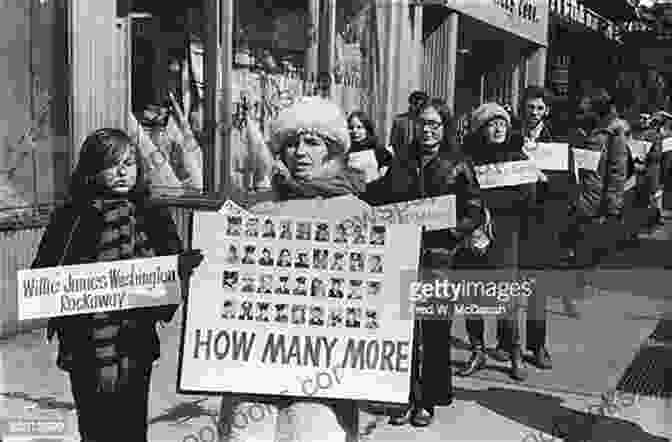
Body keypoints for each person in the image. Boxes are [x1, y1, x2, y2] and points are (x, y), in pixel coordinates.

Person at [33, 128, 203, 442]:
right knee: (94, 428)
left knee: (131, 426)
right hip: (84, 342)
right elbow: (43, 273)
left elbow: (173, 272)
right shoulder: (70, 216)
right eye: (112, 163)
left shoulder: (152, 214)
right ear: (93, 168)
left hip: (134, 340)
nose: (123, 171)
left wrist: (181, 269)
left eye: (129, 162)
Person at [217, 96, 369, 442]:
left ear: (331, 150)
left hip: (325, 368)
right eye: (291, 144)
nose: (300, 152)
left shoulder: (359, 214)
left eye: (312, 142)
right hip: (257, 363)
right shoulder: (257, 212)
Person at [363, 98, 484, 426]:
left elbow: (474, 209)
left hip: (439, 257)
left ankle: (427, 400)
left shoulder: (458, 163)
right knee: (403, 331)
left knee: (433, 331)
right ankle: (404, 397)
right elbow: (382, 194)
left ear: (445, 127)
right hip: (404, 252)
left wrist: (454, 232)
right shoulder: (402, 160)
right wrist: (351, 191)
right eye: (423, 123)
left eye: (435, 124)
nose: (428, 130)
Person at [458, 102, 544, 382]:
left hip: (506, 234)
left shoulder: (517, 156)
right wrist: (475, 218)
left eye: (502, 123)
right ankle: (477, 349)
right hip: (474, 232)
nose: (497, 128)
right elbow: (459, 192)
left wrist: (534, 181)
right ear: (481, 129)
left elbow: (528, 199)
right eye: (491, 124)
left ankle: (515, 353)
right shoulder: (468, 158)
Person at [515, 86, 574, 370]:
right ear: (522, 108)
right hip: (513, 220)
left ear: (546, 111)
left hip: (541, 222)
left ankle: (537, 345)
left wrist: (545, 179)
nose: (534, 113)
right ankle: (507, 343)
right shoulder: (511, 138)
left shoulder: (556, 143)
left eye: (539, 108)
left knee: (538, 289)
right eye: (530, 107)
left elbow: (567, 186)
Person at [565, 89, 629, 296]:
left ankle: (580, 283)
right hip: (572, 192)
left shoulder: (613, 134)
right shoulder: (575, 128)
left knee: (586, 243)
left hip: (595, 196)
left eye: (586, 107)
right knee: (571, 240)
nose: (582, 110)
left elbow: (617, 172)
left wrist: (612, 206)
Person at [347, 111, 393, 181]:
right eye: (351, 127)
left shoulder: (378, 150)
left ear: (367, 129)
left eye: (359, 127)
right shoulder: (344, 151)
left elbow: (386, 175)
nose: (354, 131)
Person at [388, 91, 429, 157]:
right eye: (415, 104)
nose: (418, 107)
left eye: (422, 105)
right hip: (403, 158)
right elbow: (393, 143)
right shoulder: (399, 120)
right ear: (410, 103)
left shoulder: (428, 120)